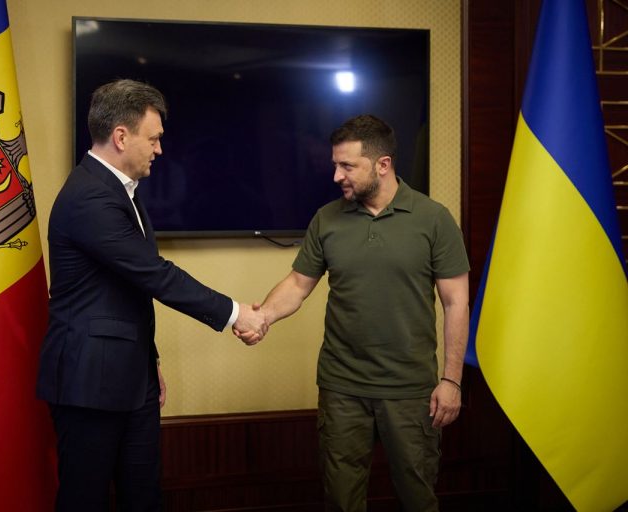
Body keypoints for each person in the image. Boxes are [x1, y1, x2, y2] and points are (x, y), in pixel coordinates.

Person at [36, 79, 266, 511]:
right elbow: (155, 275)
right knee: (84, 500)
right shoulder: (89, 196)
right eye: (154, 138)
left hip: (132, 375)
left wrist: (148, 360)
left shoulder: (121, 190)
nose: (160, 149)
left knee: (143, 496)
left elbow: (126, 290)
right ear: (121, 136)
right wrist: (237, 314)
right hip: (88, 381)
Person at [244, 115, 469, 511]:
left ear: (383, 164)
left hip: (410, 389)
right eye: (336, 165)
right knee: (342, 500)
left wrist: (451, 380)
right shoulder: (327, 219)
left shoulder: (434, 219)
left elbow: (456, 303)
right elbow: (297, 284)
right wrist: (263, 318)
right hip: (342, 387)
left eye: (347, 166)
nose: (336, 176)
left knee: (418, 498)